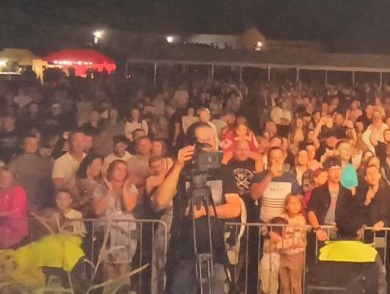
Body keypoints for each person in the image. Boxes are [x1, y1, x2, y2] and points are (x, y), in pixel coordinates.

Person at [153, 122, 243, 294]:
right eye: (203, 141)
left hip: (215, 249)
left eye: (211, 139)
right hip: (183, 250)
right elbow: (159, 202)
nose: (208, 144)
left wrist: (203, 212)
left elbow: (234, 209)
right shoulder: (181, 170)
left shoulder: (224, 171)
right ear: (191, 144)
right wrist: (178, 166)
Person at [307, 208, 387, 294]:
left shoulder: (324, 252)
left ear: (337, 229)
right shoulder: (371, 253)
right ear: (359, 232)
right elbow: (380, 285)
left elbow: (316, 282)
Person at [92, 159, 139, 282]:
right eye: (118, 169)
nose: (121, 172)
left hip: (125, 232)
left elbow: (129, 207)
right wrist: (109, 191)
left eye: (124, 170)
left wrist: (124, 189)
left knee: (123, 271)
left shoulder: (131, 188)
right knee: (108, 273)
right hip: (106, 232)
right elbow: (98, 210)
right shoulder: (100, 188)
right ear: (111, 170)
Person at [250, 146, 302, 223]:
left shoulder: (291, 178)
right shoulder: (259, 176)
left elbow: (298, 201)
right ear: (268, 160)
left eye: (280, 158)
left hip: (285, 224)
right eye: (273, 158)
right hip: (264, 223)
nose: (277, 161)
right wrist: (270, 175)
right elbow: (254, 195)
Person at [307, 157, 352, 244]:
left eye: (339, 169)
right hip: (321, 234)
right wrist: (318, 229)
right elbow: (311, 212)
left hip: (340, 235)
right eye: (333, 170)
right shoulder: (318, 191)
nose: (336, 173)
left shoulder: (347, 192)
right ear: (327, 172)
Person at [8, 135, 52, 212]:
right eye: (29, 143)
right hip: (21, 202)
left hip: (40, 203)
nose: (33, 146)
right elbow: (9, 182)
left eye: (35, 144)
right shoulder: (15, 163)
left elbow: (48, 183)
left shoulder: (45, 162)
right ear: (22, 145)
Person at [277, 193, 308, 294]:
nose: (295, 206)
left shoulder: (301, 220)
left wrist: (281, 243)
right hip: (282, 254)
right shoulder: (281, 218)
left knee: (295, 284)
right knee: (284, 284)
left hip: (296, 254)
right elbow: (274, 229)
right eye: (292, 203)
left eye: (298, 203)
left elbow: (297, 238)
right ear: (286, 206)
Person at [0, 168, 27, 249]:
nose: (3, 179)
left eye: (7, 177)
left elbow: (17, 212)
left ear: (13, 180)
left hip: (16, 231)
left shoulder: (19, 191)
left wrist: (2, 214)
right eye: (1, 176)